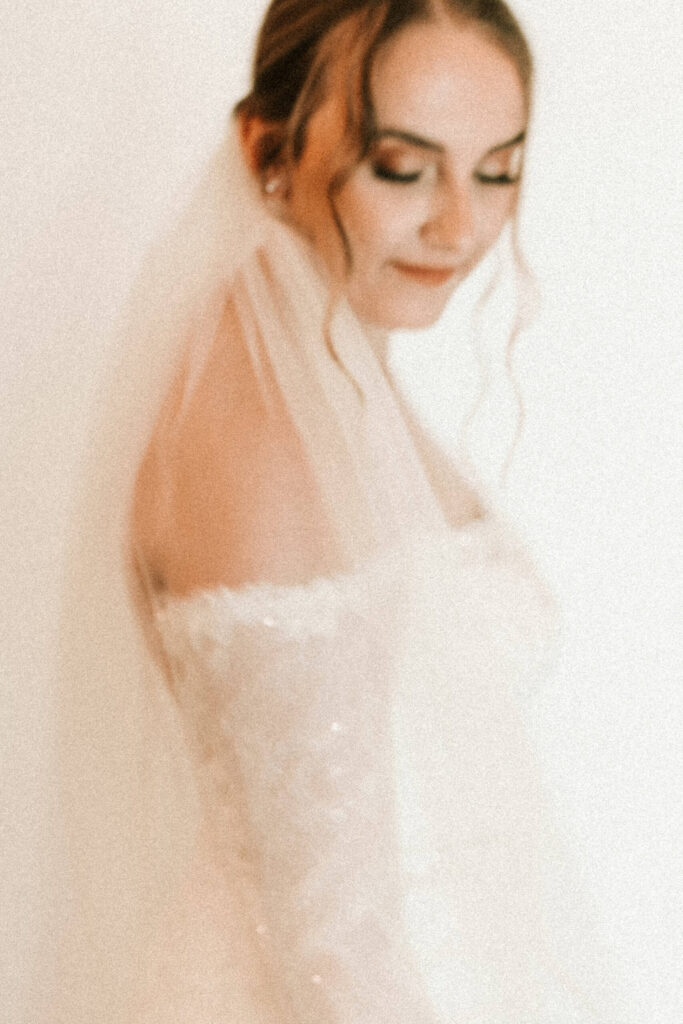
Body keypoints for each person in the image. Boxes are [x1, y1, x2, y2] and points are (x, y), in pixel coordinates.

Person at [128, 1, 611, 1020]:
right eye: (402, 166)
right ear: (268, 151)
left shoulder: (334, 371)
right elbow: (328, 944)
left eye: (495, 169)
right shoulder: (262, 434)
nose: (460, 224)